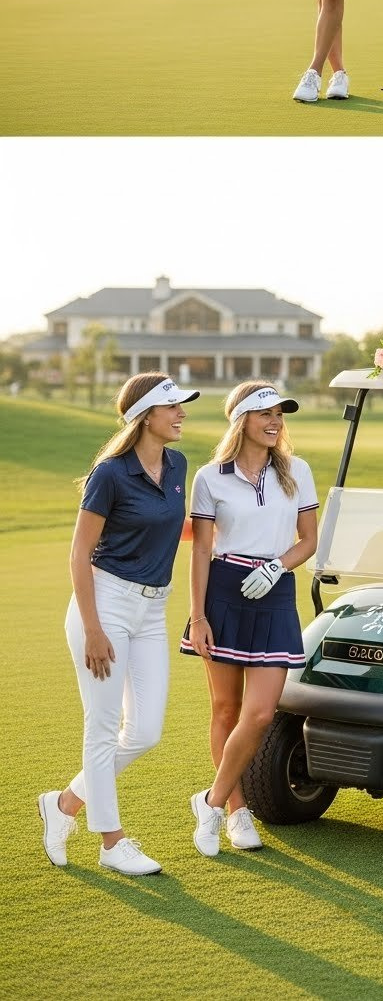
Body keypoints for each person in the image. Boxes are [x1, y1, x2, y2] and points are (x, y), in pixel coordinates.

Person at [37, 372, 200, 875]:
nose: (182, 414)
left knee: (146, 731)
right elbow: (79, 553)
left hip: (153, 610)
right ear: (145, 415)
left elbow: (178, 526)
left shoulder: (177, 464)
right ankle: (112, 842)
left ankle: (64, 803)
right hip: (104, 604)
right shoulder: (109, 474)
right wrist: (92, 628)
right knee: (103, 727)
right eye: (172, 407)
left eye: (181, 406)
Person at [181, 380, 319, 856]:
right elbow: (200, 549)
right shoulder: (209, 477)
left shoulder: (297, 471)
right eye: (266, 414)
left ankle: (212, 802)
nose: (276, 421)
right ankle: (237, 811)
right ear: (241, 420)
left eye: (280, 413)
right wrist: (197, 616)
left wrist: (278, 566)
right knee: (225, 710)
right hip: (223, 593)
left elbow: (307, 539)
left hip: (274, 590)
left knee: (259, 713)